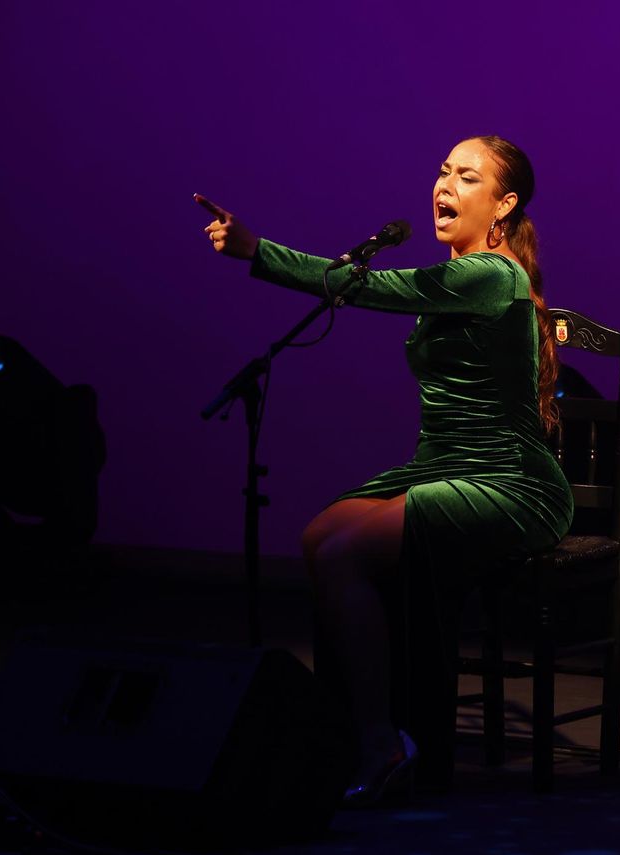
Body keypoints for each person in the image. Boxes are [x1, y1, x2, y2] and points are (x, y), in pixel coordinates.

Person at [194, 135, 574, 803]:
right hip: (440, 465)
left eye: (467, 176)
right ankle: (342, 728)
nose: (445, 185)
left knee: (344, 554)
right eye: (442, 171)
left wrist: (259, 252)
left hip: (509, 481)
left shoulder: (492, 273)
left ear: (504, 203)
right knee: (320, 535)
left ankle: (382, 741)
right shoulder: (458, 279)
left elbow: (372, 288)